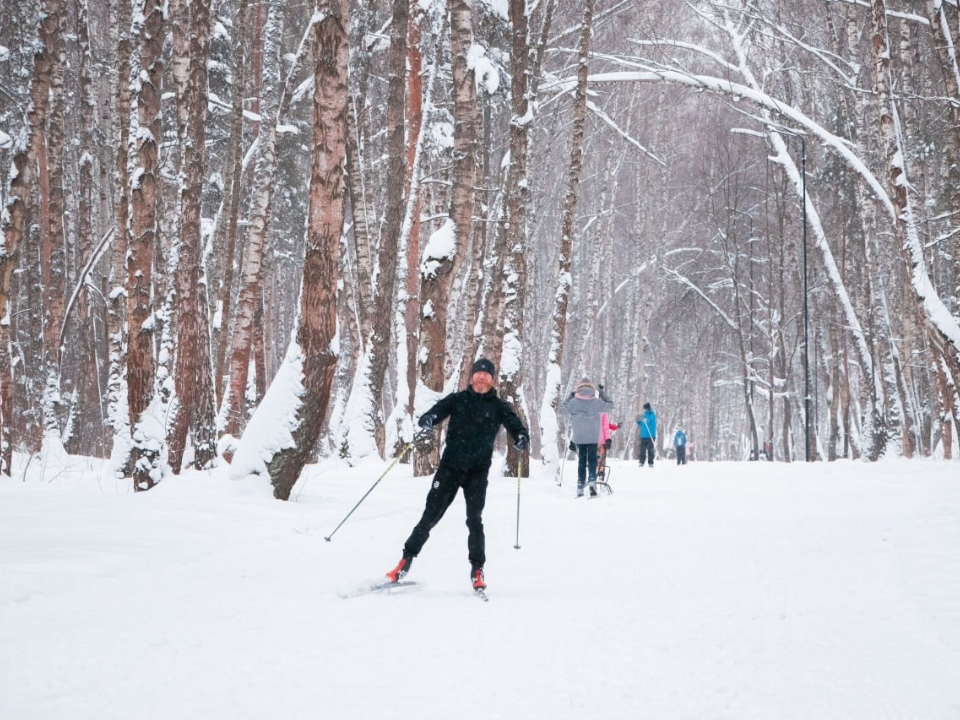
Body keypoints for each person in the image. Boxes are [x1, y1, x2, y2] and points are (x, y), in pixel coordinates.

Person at [385, 358, 529, 591]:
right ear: (472, 376)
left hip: (477, 473)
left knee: (474, 520)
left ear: (492, 379)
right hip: (450, 468)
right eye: (478, 373)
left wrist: (521, 436)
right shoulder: (458, 400)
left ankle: (477, 570)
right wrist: (428, 419)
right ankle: (405, 561)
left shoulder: (499, 406)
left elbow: (515, 424)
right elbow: (435, 412)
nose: (482, 377)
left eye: (486, 374)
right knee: (430, 516)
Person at [559, 378, 614, 497]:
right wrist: (602, 393)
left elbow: (562, 410)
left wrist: (570, 397)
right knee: (593, 459)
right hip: (593, 436)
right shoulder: (596, 402)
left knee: (582, 461)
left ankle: (580, 486)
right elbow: (610, 405)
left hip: (579, 436)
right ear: (591, 388)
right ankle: (592, 481)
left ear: (579, 388)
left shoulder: (573, 402)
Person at [597, 412, 619, 485]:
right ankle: (600, 476)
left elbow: (606, 425)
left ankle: (593, 477)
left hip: (592, 441)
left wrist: (616, 427)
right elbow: (605, 426)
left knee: (594, 460)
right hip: (601, 441)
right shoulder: (604, 412)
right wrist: (608, 439)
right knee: (601, 460)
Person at [637, 402, 657, 467]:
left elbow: (648, 420)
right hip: (643, 435)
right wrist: (638, 421)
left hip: (650, 435)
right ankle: (641, 462)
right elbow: (641, 424)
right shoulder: (644, 415)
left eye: (645, 408)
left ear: (648, 408)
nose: (644, 410)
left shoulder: (652, 414)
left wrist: (645, 420)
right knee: (642, 450)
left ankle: (650, 462)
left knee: (650, 449)